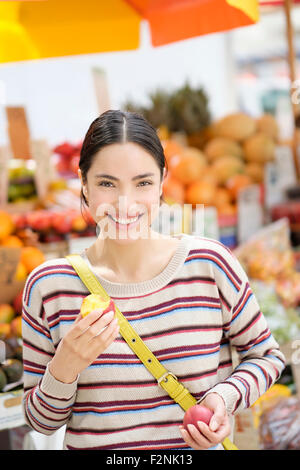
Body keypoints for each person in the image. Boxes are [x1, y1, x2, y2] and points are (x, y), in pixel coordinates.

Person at [22, 110, 285, 450]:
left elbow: (266, 356)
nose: (125, 204)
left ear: (162, 181)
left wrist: (224, 397)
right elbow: (41, 421)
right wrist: (65, 367)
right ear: (83, 184)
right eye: (106, 183)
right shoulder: (48, 287)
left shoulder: (209, 264)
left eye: (143, 183)